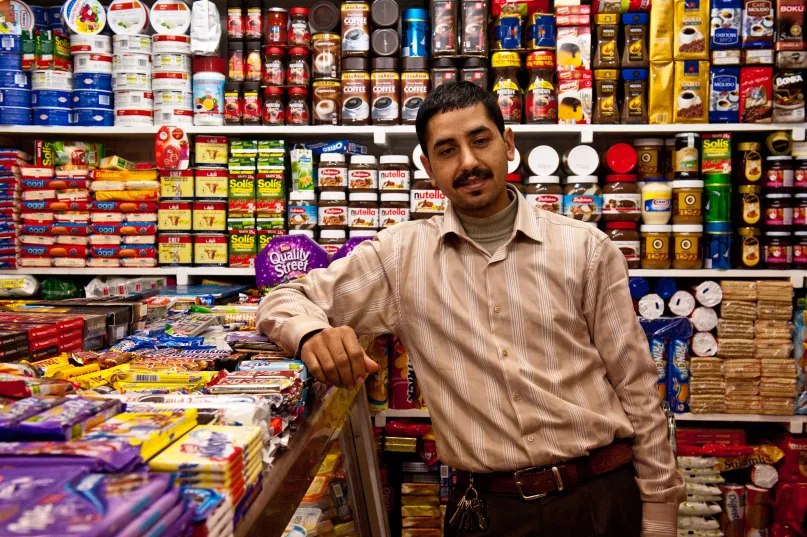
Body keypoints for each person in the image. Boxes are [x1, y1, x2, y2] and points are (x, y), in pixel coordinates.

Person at [257, 81, 684, 537]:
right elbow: (281, 298)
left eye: (480, 140)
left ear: (508, 143)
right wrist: (310, 334)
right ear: (427, 167)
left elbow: (637, 387)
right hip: (487, 511)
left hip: (600, 498)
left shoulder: (587, 249)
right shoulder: (400, 258)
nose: (468, 162)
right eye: (447, 150)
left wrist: (660, 511)